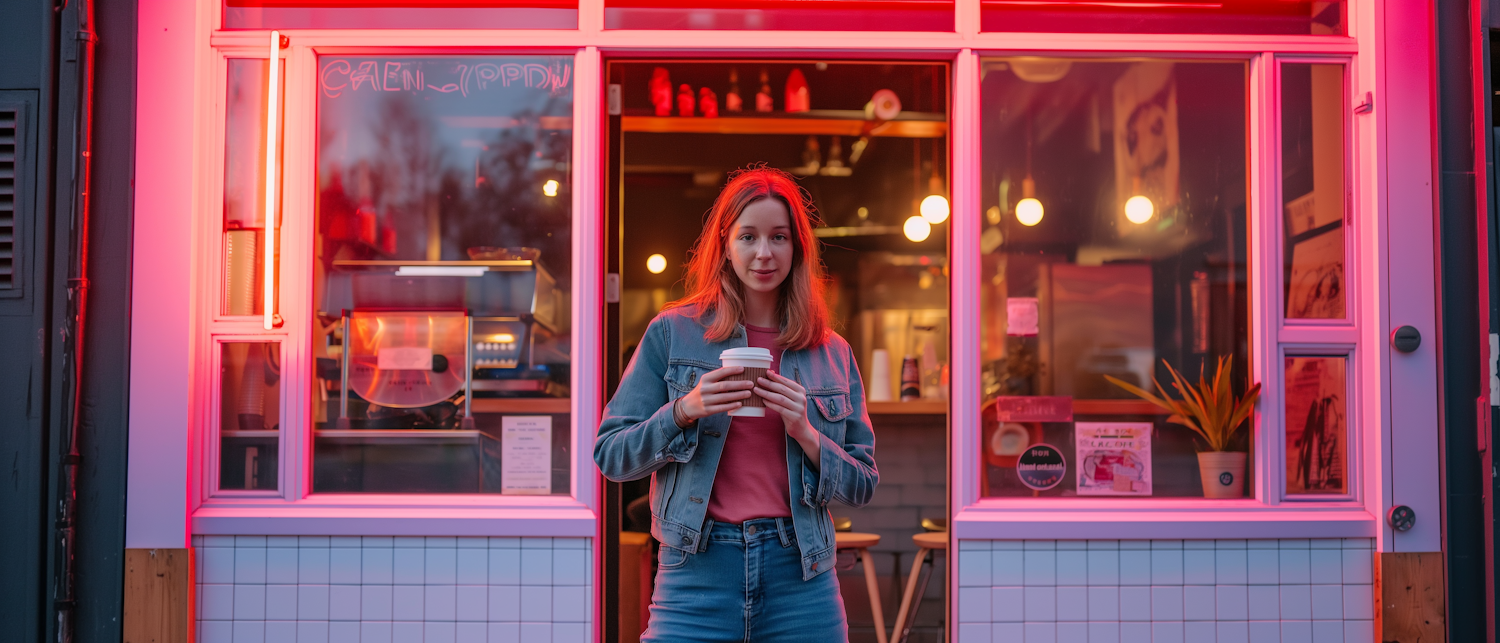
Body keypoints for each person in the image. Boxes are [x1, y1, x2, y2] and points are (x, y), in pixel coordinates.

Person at [595, 167, 879, 642]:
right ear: (725, 243)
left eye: (779, 237)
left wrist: (806, 434)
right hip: (697, 573)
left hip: (801, 577)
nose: (763, 253)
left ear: (798, 247)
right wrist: (684, 410)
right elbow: (612, 456)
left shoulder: (832, 352)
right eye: (748, 236)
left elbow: (864, 483)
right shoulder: (672, 333)